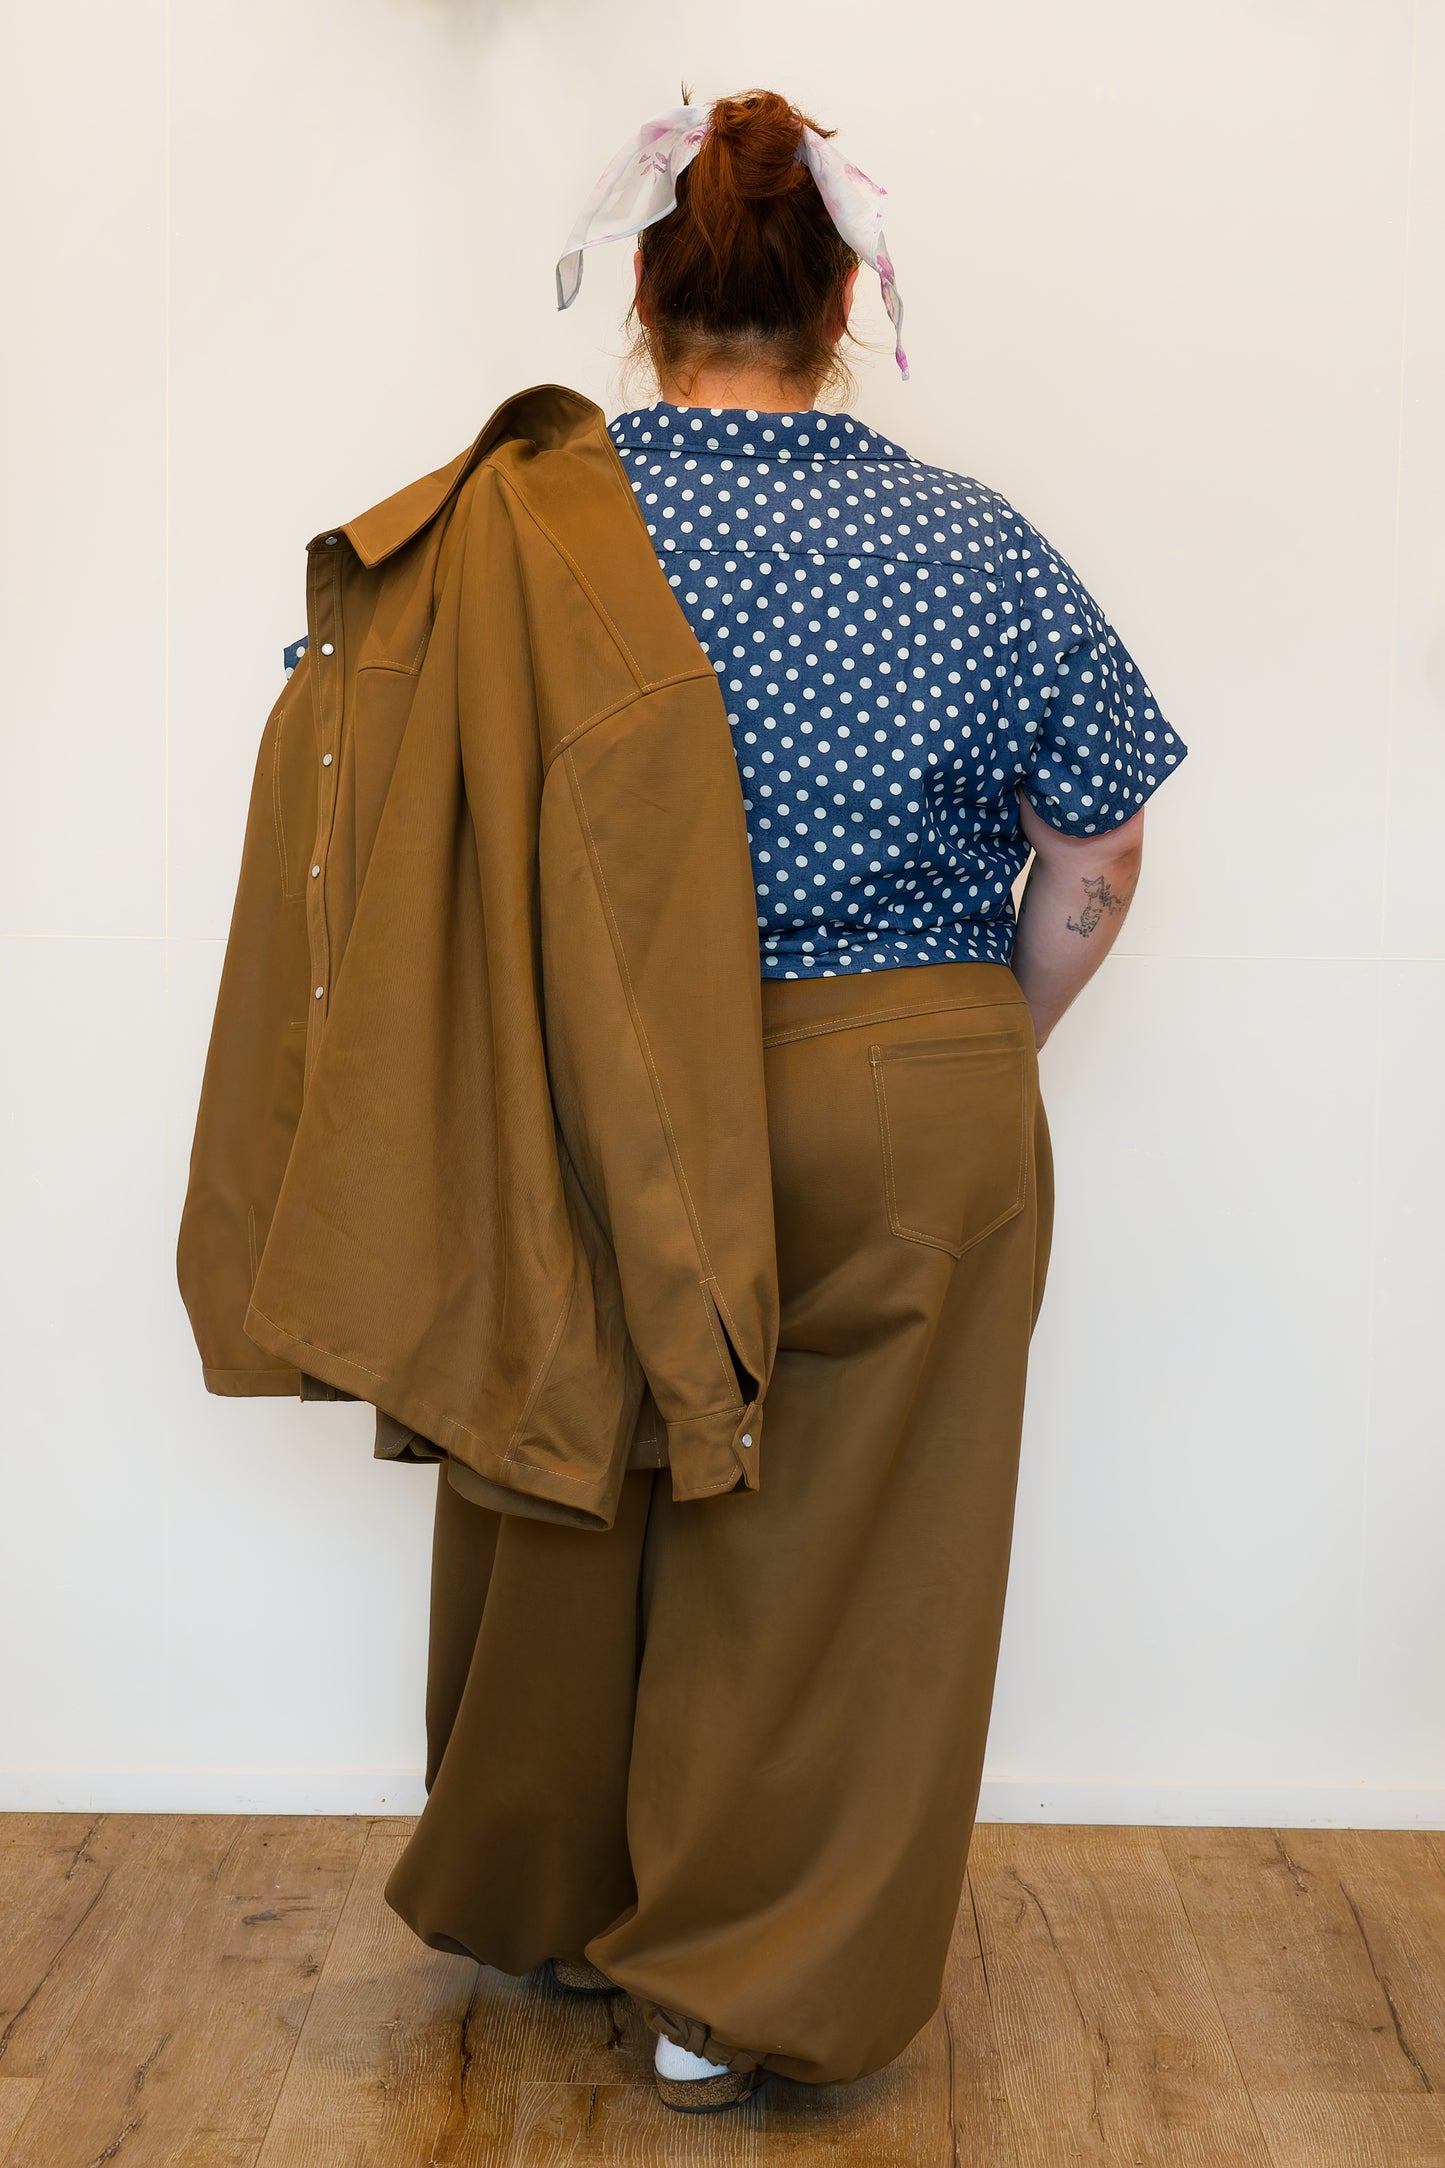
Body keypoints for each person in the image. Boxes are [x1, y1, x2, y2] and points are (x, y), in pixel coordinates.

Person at [380, 85, 1189, 2115]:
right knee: (841, 1559)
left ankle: (555, 1900)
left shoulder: (525, 525)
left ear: (648, 298)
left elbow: (413, 810)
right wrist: (973, 1040)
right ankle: (726, 1990)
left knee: (567, 1476)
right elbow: (1098, 845)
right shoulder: (977, 538)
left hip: (591, 1074)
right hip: (904, 1085)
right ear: (842, 306)